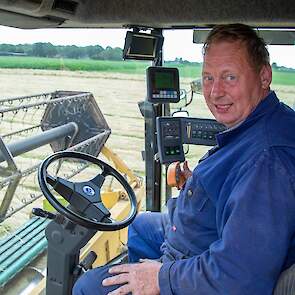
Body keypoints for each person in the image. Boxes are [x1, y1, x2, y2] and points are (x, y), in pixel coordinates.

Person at [73, 23, 295, 295]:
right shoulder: (265, 122)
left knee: (87, 287)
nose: (214, 92)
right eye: (208, 78)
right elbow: (239, 190)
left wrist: (161, 278)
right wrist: (199, 188)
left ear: (264, 77)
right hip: (203, 231)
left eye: (229, 77)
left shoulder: (268, 160)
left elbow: (239, 276)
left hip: (203, 260)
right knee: (140, 225)